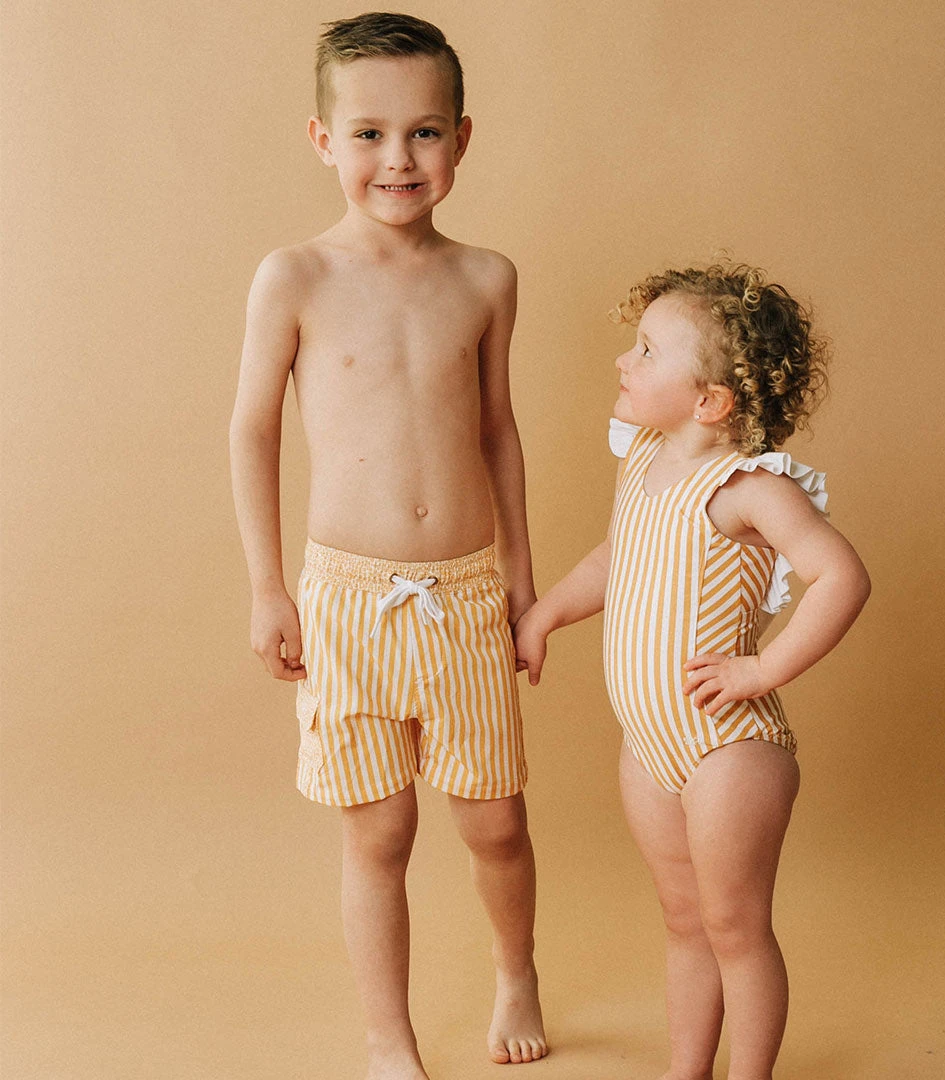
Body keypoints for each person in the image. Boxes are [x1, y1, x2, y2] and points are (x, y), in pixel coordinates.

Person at [228, 13, 547, 1077]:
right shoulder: (295, 277)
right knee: (380, 834)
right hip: (348, 598)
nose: (397, 159)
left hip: (465, 593)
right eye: (368, 134)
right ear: (324, 140)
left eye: (423, 133)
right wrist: (268, 587)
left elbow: (498, 430)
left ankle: (516, 972)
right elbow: (253, 429)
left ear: (461, 137)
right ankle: (388, 1034)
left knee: (495, 824)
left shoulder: (487, 278)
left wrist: (522, 581)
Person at [513, 260, 870, 1080]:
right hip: (650, 745)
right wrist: (546, 614)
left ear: (710, 402)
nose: (622, 360)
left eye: (646, 351)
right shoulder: (643, 457)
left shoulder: (748, 488)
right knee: (684, 921)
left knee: (734, 926)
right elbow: (619, 557)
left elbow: (842, 577)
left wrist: (762, 668)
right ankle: (687, 1070)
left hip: (727, 748)